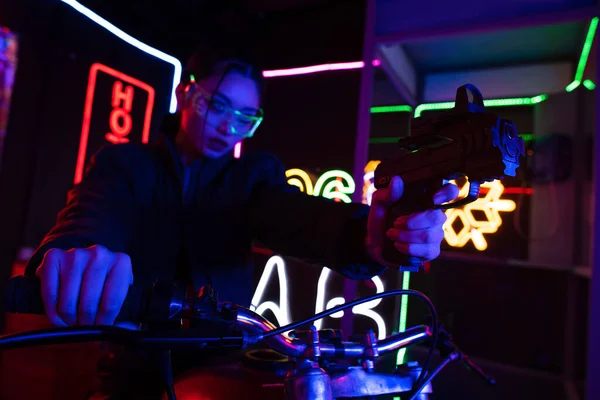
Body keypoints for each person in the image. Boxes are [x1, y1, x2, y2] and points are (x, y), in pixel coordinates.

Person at [24, 45, 458, 398]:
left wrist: (368, 235)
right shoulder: (126, 164)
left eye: (245, 117)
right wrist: (74, 251)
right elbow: (92, 214)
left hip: (221, 359)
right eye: (217, 105)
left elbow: (295, 216)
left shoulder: (252, 176)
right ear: (184, 95)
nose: (229, 127)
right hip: (132, 358)